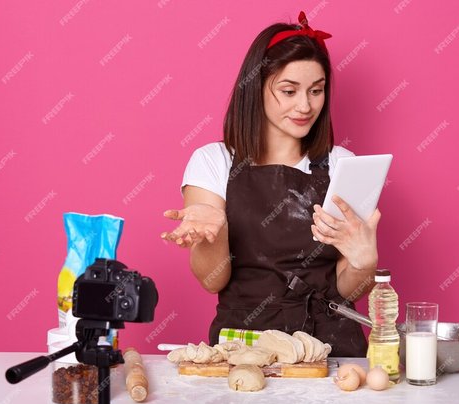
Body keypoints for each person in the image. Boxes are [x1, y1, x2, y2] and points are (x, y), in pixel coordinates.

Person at [161, 11, 380, 357]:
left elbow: (348, 288)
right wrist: (213, 234)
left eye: (316, 91)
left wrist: (363, 264)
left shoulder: (343, 164)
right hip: (245, 349)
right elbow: (211, 280)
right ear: (256, 87)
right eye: (289, 91)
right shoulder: (213, 162)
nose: (305, 105)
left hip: (329, 349)